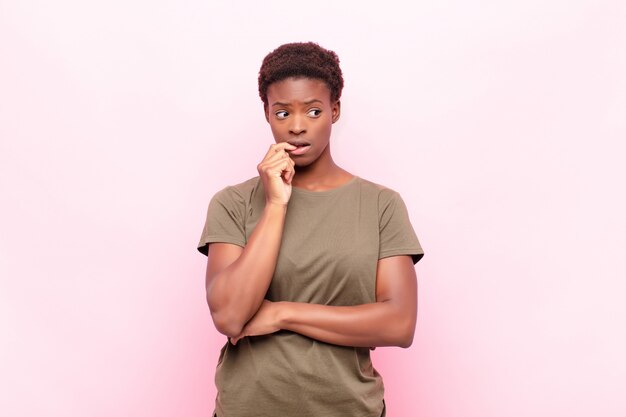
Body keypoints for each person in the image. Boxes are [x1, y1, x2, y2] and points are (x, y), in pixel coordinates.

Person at [197, 42, 424, 417]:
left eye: (313, 111)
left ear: (334, 111)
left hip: (348, 409)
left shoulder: (381, 204)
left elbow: (399, 324)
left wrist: (283, 314)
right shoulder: (232, 204)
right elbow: (230, 315)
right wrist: (275, 204)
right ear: (267, 113)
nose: (297, 126)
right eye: (282, 112)